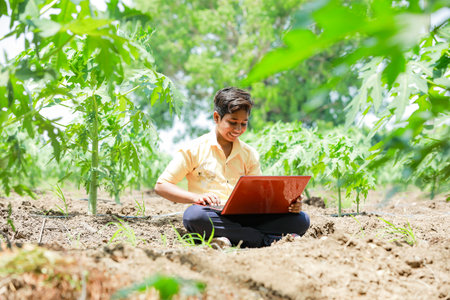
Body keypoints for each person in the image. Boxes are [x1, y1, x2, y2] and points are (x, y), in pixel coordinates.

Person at [155, 87, 310, 248]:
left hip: (246, 216)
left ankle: (230, 238)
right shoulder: (194, 149)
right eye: (232, 122)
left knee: (301, 220)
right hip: (211, 214)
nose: (238, 129)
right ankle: (266, 240)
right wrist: (196, 198)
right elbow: (162, 186)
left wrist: (288, 205)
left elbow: (259, 195)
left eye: (243, 124)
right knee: (193, 217)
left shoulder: (249, 153)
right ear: (217, 117)